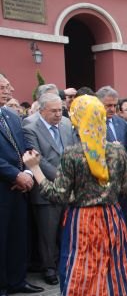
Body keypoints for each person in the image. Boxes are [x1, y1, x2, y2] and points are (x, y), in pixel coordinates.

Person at [23, 95, 127, 296]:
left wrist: (35, 168)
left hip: (83, 224)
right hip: (112, 220)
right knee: (116, 277)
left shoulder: (73, 154)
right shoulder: (117, 150)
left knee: (88, 281)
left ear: (76, 121)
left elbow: (57, 195)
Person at [23, 93, 78, 285]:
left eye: (60, 110)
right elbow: (39, 160)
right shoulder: (30, 129)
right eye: (53, 111)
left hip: (69, 187)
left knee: (67, 229)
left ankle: (67, 263)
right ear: (41, 110)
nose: (58, 114)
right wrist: (63, 178)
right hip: (46, 188)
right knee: (48, 232)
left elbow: (73, 150)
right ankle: (49, 268)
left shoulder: (65, 124)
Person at [0, 74, 42, 296]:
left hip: (19, 186)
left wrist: (27, 173)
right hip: (3, 185)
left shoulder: (11, 115)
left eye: (8, 85)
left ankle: (17, 280)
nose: (10, 89)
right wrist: (14, 174)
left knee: (18, 235)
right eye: (4, 87)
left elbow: (25, 147)